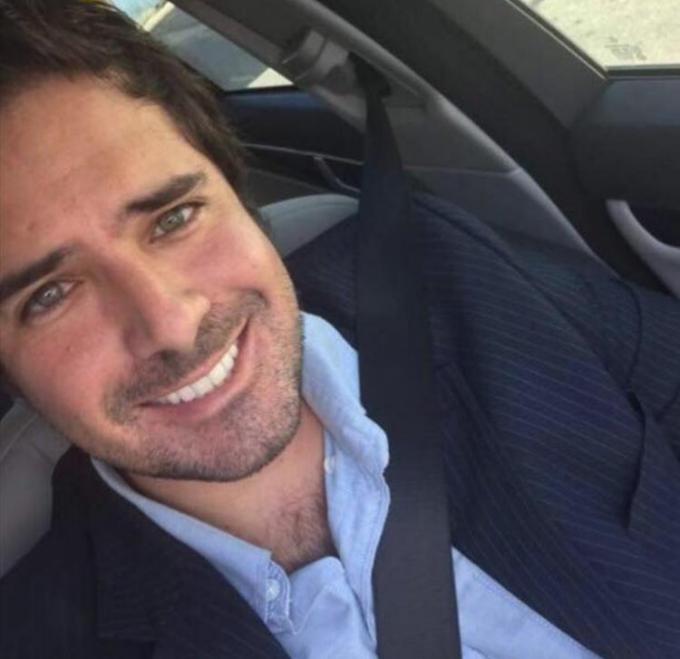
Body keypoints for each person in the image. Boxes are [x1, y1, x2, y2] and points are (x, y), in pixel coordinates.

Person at [0, 2, 678, 658]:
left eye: (175, 217)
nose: (172, 324)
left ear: (238, 194)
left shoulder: (453, 281)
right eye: (49, 295)